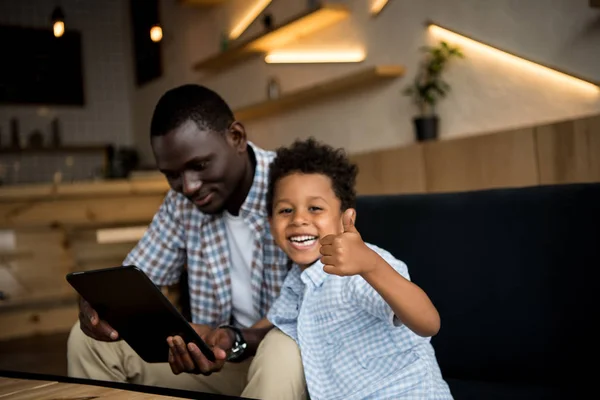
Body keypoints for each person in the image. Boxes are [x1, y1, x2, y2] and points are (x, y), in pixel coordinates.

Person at [67, 84, 307, 400]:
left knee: (282, 347)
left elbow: (317, 303)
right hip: (220, 361)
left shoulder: (298, 188)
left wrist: (236, 338)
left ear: (236, 137)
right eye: (173, 175)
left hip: (295, 363)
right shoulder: (181, 203)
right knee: (87, 341)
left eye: (199, 165)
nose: (188, 186)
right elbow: (138, 279)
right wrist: (102, 306)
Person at [182, 138, 453, 399]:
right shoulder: (297, 281)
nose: (299, 219)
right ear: (270, 222)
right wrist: (225, 336)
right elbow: (276, 324)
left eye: (315, 208)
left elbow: (428, 322)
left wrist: (371, 266)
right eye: (285, 211)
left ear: (345, 215)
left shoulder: (362, 267)